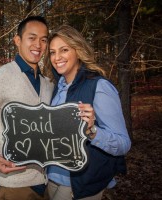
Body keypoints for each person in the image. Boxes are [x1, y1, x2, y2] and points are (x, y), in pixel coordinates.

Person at [0, 16, 54, 200]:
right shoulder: (1, 77)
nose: (38, 44)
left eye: (44, 39)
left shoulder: (48, 83)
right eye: (32, 37)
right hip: (14, 185)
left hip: (47, 181)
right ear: (17, 40)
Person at [44, 25, 131, 200]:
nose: (57, 57)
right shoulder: (56, 88)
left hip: (78, 185)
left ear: (78, 50)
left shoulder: (99, 86)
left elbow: (123, 143)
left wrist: (92, 131)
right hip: (50, 178)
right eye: (52, 52)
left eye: (64, 50)